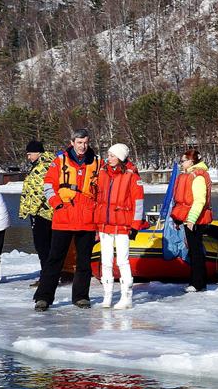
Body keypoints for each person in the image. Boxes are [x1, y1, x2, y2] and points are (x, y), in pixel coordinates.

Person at [32, 129, 101, 311]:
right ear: (72, 142)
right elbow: (48, 185)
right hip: (64, 217)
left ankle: (81, 296)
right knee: (55, 259)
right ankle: (43, 297)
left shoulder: (96, 162)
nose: (82, 146)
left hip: (87, 218)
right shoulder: (59, 161)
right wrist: (57, 204)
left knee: (84, 261)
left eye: (85, 142)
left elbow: (101, 190)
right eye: (79, 142)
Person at [94, 143, 147, 309]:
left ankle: (126, 297)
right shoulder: (102, 173)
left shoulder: (132, 176)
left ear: (121, 158)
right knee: (106, 261)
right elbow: (96, 198)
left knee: (123, 261)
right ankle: (107, 296)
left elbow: (138, 203)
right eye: (108, 155)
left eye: (112, 155)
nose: (108, 158)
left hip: (123, 225)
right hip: (104, 224)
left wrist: (135, 225)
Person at [171, 149, 213, 293]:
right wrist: (178, 219)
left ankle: (198, 283)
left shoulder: (198, 177)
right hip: (188, 218)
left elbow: (199, 201)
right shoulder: (188, 175)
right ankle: (195, 281)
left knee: (196, 252)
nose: (181, 163)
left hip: (196, 220)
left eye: (183, 160)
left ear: (191, 161)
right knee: (193, 250)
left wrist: (191, 220)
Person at [18, 140, 56, 288]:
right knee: (46, 246)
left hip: (43, 213)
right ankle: (49, 275)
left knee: (43, 246)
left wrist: (31, 211)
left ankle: (47, 278)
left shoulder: (43, 167)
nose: (28, 157)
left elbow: (39, 192)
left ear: (38, 153)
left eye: (30, 154)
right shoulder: (41, 165)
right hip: (44, 213)